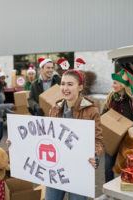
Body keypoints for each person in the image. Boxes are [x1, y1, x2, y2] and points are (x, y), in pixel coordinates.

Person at [45, 69, 104, 200]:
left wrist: (95, 155)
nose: (65, 88)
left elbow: (98, 141)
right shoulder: (54, 109)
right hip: (56, 168)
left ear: (80, 87)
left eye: (70, 84)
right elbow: (45, 137)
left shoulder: (91, 111)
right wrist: (19, 143)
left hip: (79, 171)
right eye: (63, 83)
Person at [103, 69, 133, 183]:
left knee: (126, 167)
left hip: (127, 139)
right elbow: (103, 116)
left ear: (123, 84)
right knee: (108, 167)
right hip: (111, 138)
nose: (113, 85)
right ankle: (108, 191)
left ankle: (124, 189)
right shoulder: (110, 98)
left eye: (115, 82)